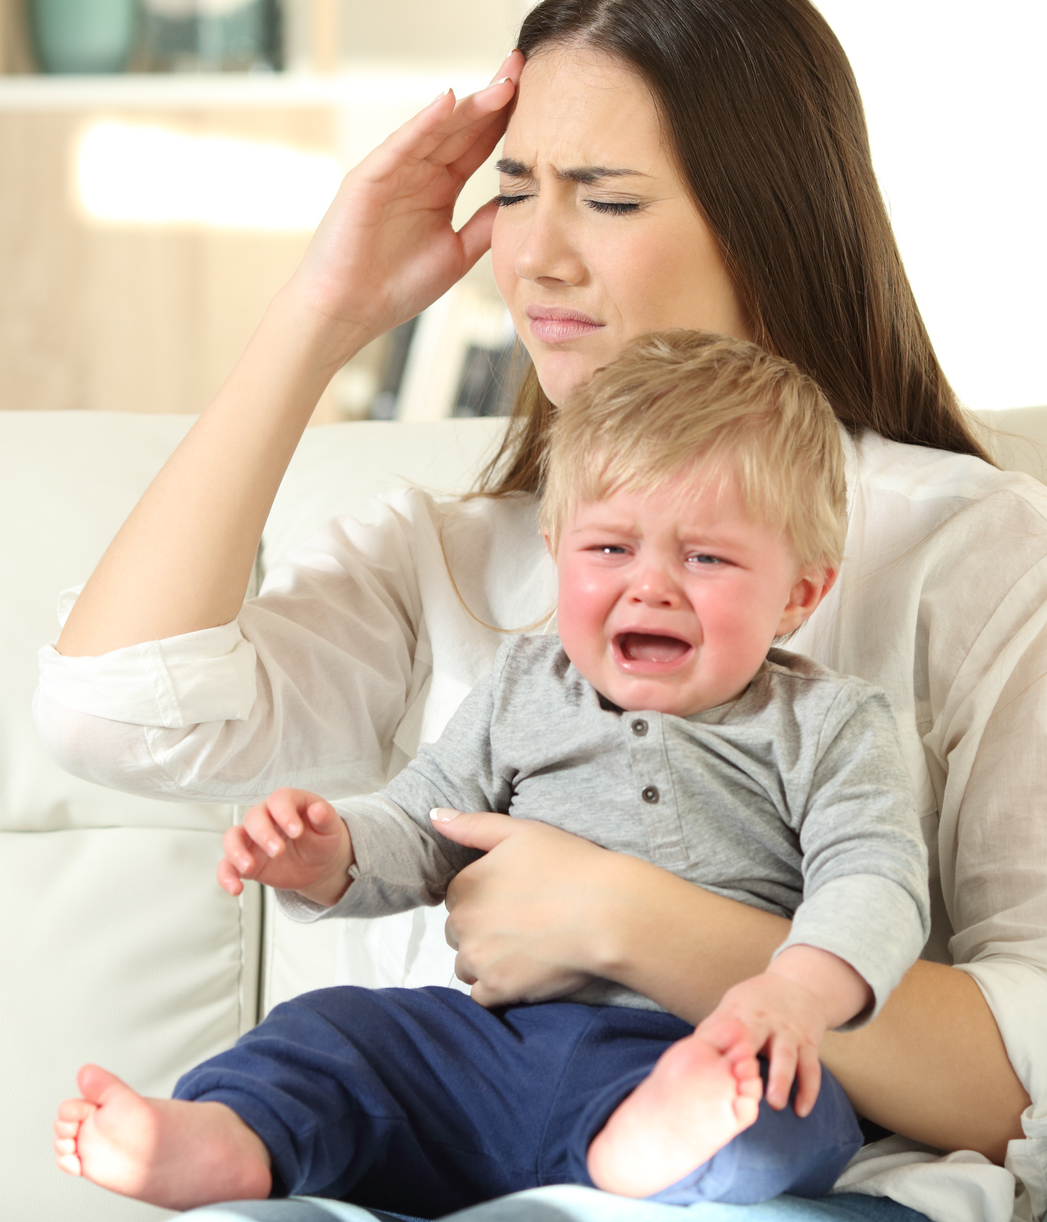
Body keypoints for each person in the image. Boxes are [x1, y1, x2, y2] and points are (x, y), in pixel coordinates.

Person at [37, 0, 1047, 1222]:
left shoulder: (991, 551)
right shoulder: (448, 556)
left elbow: (1040, 1072)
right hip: (443, 1160)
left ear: (768, 220)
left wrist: (627, 917)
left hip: (787, 1185)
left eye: (608, 201)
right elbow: (111, 714)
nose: (537, 257)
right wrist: (321, 311)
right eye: (515, 192)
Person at [52, 332, 931, 1214]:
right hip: (486, 1048)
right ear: (555, 547)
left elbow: (874, 880)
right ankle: (227, 1137)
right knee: (335, 1032)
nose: (651, 587)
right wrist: (331, 853)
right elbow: (425, 821)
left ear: (799, 593)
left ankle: (647, 1149)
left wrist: (794, 993)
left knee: (793, 1111)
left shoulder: (827, 723)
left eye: (705, 558)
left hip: (686, 1045)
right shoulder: (521, 686)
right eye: (609, 549)